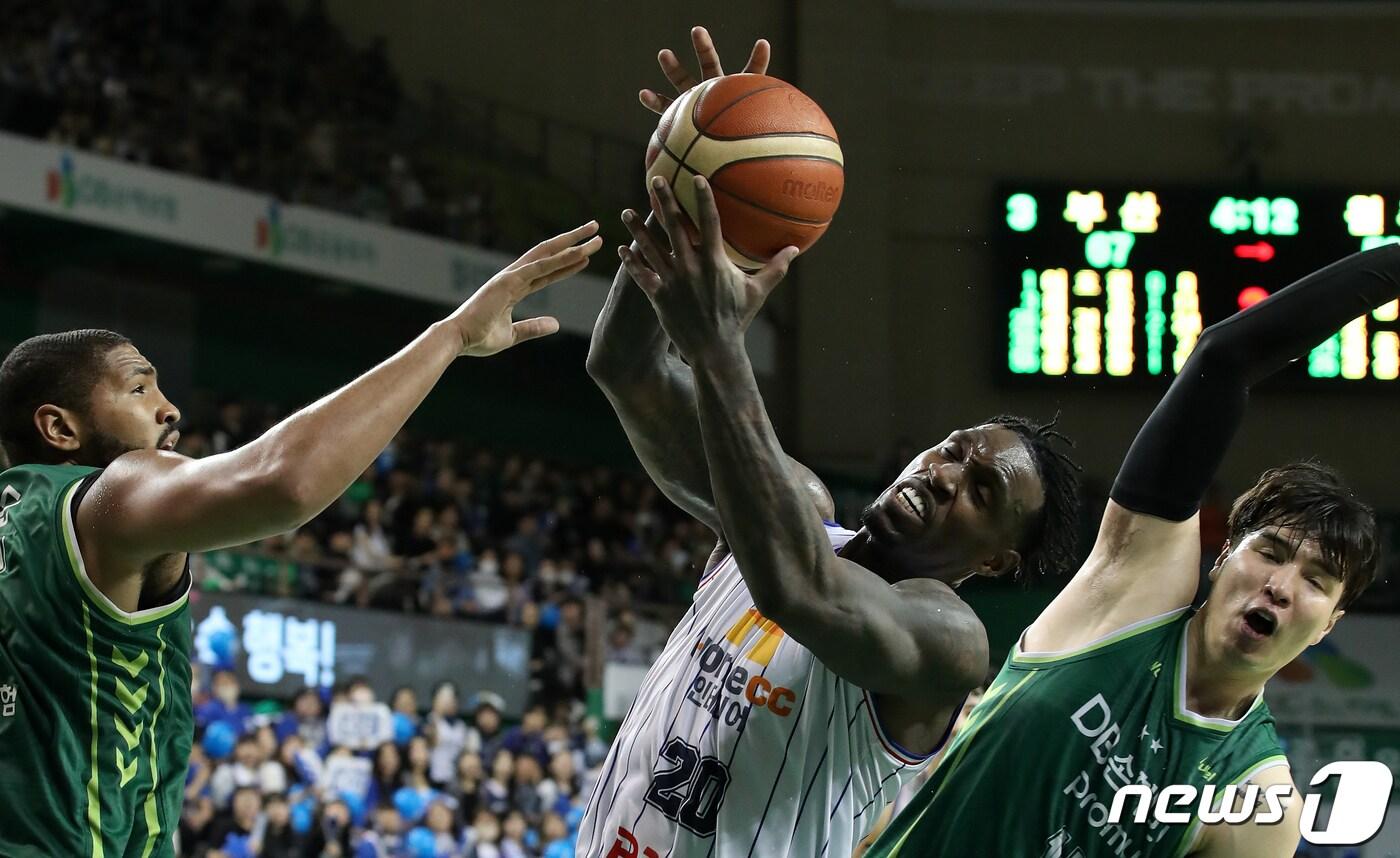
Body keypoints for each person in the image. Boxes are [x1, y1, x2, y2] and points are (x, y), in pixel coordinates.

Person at [578, 28, 1080, 857]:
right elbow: (624, 367)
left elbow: (799, 591)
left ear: (994, 561)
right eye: (953, 449)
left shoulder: (946, 643)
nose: (946, 473)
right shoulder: (790, 508)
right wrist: (688, 187)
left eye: (982, 491)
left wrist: (719, 350)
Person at [0, 222, 600, 856]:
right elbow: (284, 481)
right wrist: (449, 336)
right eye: (139, 387)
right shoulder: (109, 499)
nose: (168, 407)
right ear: (59, 428)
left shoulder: (20, 526)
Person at [867, 246, 1400, 856]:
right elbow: (1223, 359)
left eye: (1316, 579)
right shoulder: (1133, 596)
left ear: (1328, 623)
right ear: (1220, 556)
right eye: (1272, 552)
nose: (1281, 584)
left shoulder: (1261, 807)